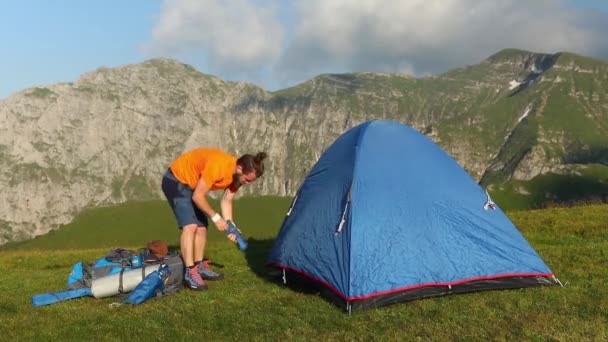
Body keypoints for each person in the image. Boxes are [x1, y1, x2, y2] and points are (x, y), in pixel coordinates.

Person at [161, 148, 267, 290]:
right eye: (247, 180)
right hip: (176, 180)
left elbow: (227, 200)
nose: (247, 183)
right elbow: (198, 196)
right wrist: (216, 218)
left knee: (202, 228)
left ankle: (198, 267)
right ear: (240, 168)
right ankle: (189, 272)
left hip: (193, 186)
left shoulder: (238, 175)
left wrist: (231, 225)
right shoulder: (218, 166)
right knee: (191, 226)